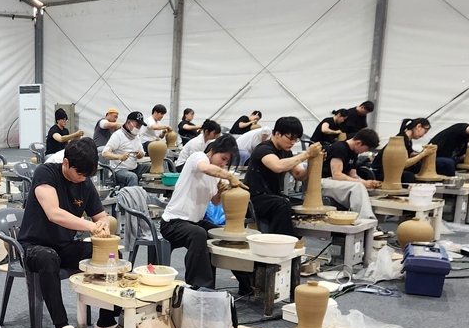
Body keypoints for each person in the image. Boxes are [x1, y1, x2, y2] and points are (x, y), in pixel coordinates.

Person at [17, 138, 118, 328]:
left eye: (86, 175)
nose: (82, 178)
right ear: (66, 163)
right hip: (34, 246)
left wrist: (103, 224)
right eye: (79, 174)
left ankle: (106, 321)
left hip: (64, 246)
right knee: (48, 258)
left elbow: (101, 216)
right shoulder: (45, 173)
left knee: (111, 255)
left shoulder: (85, 182)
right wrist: (91, 226)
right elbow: (54, 213)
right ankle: (62, 326)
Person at [160, 135, 245, 289]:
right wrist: (229, 176)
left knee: (223, 235)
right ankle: (199, 287)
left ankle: (248, 284)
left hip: (195, 221)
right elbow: (205, 168)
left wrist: (220, 192)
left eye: (226, 162)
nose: (223, 164)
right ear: (213, 150)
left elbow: (215, 201)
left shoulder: (216, 175)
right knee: (198, 234)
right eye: (223, 158)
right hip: (173, 222)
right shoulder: (198, 157)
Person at [244, 117, 321, 236]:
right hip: (254, 199)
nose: (293, 143)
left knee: (300, 206)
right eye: (290, 138)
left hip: (273, 197)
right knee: (282, 204)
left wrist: (313, 162)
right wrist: (307, 154)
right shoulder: (263, 149)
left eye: (296, 140)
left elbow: (299, 175)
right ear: (277, 134)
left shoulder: (286, 152)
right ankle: (282, 242)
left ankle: (294, 240)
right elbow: (277, 166)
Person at [319, 129, 380, 220]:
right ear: (359, 143)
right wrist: (362, 183)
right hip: (323, 182)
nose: (364, 152)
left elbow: (353, 175)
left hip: (337, 182)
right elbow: (337, 175)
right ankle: (367, 220)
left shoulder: (353, 153)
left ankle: (363, 219)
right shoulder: (339, 148)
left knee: (369, 190)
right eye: (366, 149)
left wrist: (368, 183)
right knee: (358, 187)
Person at [372, 118, 437, 184]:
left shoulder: (408, 140)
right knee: (409, 176)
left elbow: (411, 154)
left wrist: (422, 154)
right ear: (418, 126)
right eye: (424, 132)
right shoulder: (401, 139)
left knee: (417, 167)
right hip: (381, 171)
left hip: (389, 170)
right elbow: (404, 163)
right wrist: (423, 154)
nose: (423, 135)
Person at [102, 111, 147, 187]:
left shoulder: (136, 136)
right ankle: (132, 194)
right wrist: (119, 157)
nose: (138, 128)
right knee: (132, 177)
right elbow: (105, 153)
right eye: (137, 125)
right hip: (119, 170)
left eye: (140, 126)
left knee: (153, 167)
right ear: (129, 122)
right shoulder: (118, 135)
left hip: (134, 167)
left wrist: (140, 154)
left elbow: (142, 153)